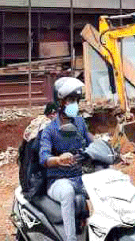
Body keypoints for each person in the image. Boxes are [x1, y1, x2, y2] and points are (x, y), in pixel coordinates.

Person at [39, 77, 94, 241]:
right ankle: (70, 238)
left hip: (79, 177)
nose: (74, 104)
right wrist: (57, 159)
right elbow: (44, 157)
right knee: (68, 192)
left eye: (76, 100)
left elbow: (91, 140)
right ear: (60, 102)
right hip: (58, 181)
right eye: (70, 100)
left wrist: (107, 147)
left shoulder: (79, 122)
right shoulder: (50, 130)